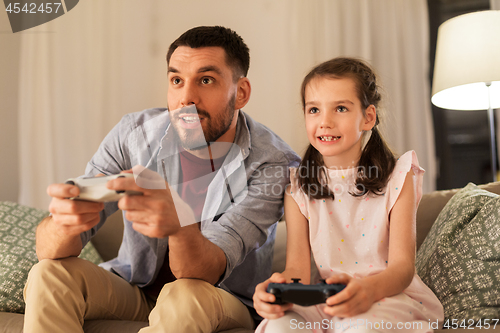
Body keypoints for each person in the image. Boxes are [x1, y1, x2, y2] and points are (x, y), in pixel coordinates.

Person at [23, 26, 300, 333]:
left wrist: (178, 223)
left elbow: (201, 272)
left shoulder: (272, 163)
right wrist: (64, 222)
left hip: (219, 298)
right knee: (49, 273)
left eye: (206, 80)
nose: (186, 98)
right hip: (136, 289)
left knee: (183, 294)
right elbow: (48, 250)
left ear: (241, 92)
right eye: (176, 80)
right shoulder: (134, 134)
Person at [252, 57, 444, 333]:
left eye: (340, 108)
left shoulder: (400, 175)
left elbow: (402, 269)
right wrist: (274, 292)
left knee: (359, 327)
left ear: (368, 117)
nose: (325, 122)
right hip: (329, 301)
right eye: (314, 110)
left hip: (386, 297)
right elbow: (298, 272)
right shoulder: (298, 185)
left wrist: (366, 290)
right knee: (280, 325)